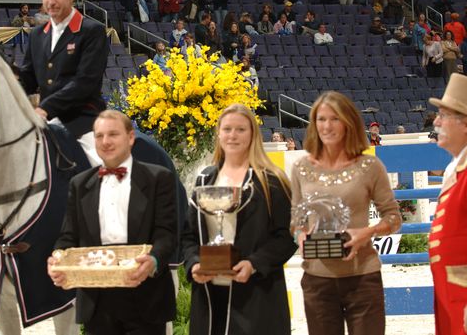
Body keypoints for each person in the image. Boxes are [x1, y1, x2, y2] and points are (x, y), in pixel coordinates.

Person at [48, 110, 177, 335]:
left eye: (113, 134)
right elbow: (68, 236)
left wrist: (154, 260)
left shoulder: (159, 178)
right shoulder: (79, 184)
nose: (105, 142)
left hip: (145, 296)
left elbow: (167, 233)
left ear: (130, 137)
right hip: (97, 301)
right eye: (99, 136)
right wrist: (58, 257)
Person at [291, 91, 402, 335]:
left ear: (348, 122)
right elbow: (296, 219)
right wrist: (300, 236)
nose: (327, 126)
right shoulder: (301, 167)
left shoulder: (370, 166)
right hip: (317, 280)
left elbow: (393, 217)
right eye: (321, 119)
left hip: (363, 277)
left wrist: (367, 232)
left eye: (334, 119)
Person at [182, 104, 295, 334]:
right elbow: (188, 235)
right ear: (219, 133)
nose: (232, 135)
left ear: (253, 134)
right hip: (209, 297)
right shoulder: (204, 179)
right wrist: (194, 263)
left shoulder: (271, 181)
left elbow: (287, 237)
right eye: (227, 129)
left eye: (240, 129)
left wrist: (253, 264)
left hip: (256, 296)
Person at [19, 0, 110, 141]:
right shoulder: (36, 35)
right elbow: (28, 79)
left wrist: (46, 108)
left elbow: (85, 82)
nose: (50, 1)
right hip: (44, 120)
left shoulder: (92, 31)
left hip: (84, 120)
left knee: (96, 160)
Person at [427, 73, 467, 335]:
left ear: (464, 124)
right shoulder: (457, 168)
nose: (436, 121)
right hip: (452, 296)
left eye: (443, 115)